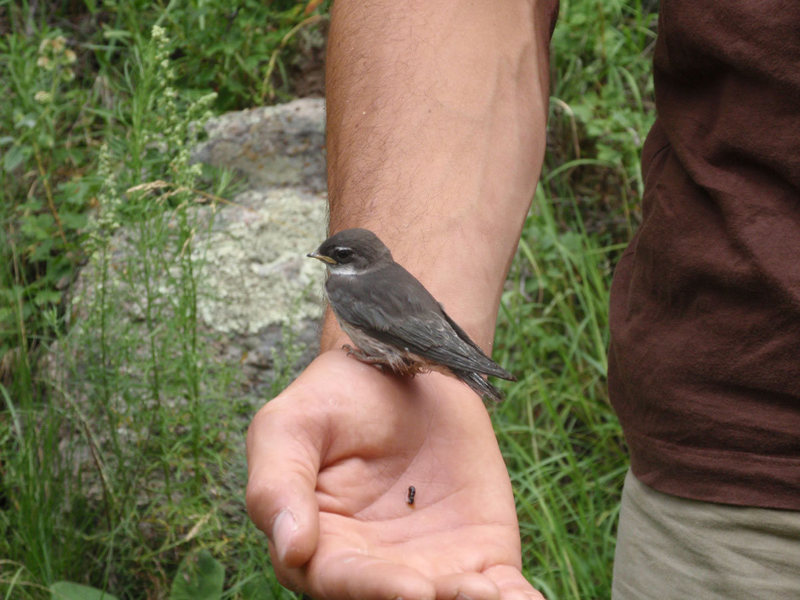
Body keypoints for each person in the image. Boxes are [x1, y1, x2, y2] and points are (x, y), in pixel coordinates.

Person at [246, 2, 800, 599]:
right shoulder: (369, 282)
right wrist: (401, 392)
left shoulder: (350, 289)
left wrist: (449, 360)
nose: (329, 267)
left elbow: (415, 327)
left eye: (338, 259)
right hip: (728, 482)